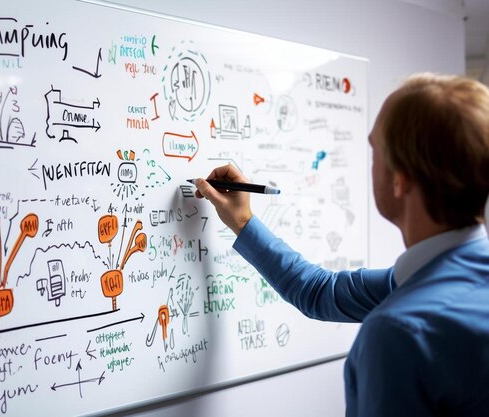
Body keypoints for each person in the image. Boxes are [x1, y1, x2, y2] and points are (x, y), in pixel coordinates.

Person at [193, 73, 489, 416]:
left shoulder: (399, 335)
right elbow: (321, 292)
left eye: (375, 150)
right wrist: (244, 223)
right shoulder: (435, 282)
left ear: (399, 180)